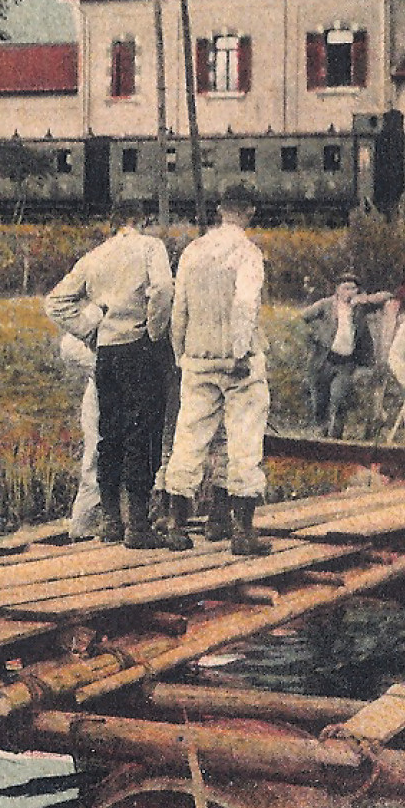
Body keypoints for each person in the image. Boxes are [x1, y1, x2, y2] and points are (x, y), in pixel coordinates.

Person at [45, 198, 175, 549]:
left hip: (106, 353)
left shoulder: (96, 255)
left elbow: (55, 302)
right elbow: (163, 289)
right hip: (138, 347)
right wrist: (155, 330)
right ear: (143, 219)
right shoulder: (151, 247)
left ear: (114, 222)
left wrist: (89, 331)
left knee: (109, 434)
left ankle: (111, 522)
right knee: (143, 435)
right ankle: (138, 526)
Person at [158, 185, 271, 555]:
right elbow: (245, 305)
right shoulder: (248, 253)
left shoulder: (194, 251)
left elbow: (180, 310)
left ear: (221, 209)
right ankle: (242, 532)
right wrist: (240, 351)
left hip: (197, 359)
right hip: (237, 362)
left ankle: (175, 525)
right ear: (250, 211)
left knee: (189, 438)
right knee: (245, 440)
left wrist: (180, 354)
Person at [299, 271, 392, 439]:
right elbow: (303, 317)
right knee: (320, 403)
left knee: (339, 400)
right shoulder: (326, 304)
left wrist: (365, 299)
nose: (349, 292)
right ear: (338, 290)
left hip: (345, 363)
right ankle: (320, 438)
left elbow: (386, 296)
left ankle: (336, 440)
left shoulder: (360, 308)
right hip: (323, 360)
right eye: (346, 288)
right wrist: (316, 336)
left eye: (353, 288)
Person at [56, 331, 102, 540]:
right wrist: (106, 368)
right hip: (104, 393)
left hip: (146, 389)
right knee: (96, 462)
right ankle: (83, 530)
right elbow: (69, 346)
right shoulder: (100, 307)